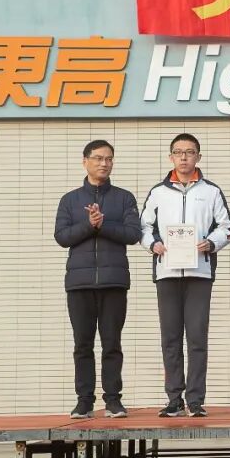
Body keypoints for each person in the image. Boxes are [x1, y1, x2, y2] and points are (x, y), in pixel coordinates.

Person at [140, 133, 230, 418]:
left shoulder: (211, 191)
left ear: (198, 157)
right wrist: (153, 245)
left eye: (190, 152)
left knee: (196, 338)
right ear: (171, 157)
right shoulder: (158, 192)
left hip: (199, 273)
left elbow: (227, 227)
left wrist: (212, 243)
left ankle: (195, 399)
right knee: (170, 338)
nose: (184, 157)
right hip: (167, 272)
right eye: (178, 152)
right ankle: (173, 399)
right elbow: (143, 227)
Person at [54, 140, 142, 419]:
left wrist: (103, 224)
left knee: (112, 344)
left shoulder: (124, 198)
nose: (104, 163)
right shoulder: (70, 200)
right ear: (85, 161)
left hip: (113, 281)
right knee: (82, 345)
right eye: (98, 158)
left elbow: (133, 234)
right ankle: (84, 401)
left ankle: (113, 400)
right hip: (79, 283)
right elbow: (62, 236)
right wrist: (88, 224)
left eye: (109, 159)